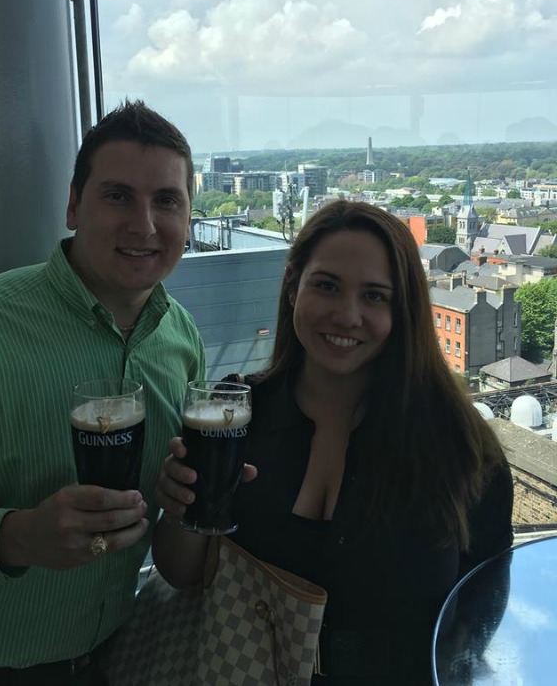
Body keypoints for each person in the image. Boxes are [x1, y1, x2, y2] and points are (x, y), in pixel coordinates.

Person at [153, 199, 514, 686]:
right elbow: (182, 573)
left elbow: (480, 612)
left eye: (375, 296)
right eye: (326, 286)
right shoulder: (233, 414)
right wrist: (181, 509)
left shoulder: (464, 450)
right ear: (292, 286)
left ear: (403, 310)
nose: (347, 315)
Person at [0, 100, 205, 685]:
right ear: (74, 205)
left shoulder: (181, 339)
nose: (145, 225)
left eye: (167, 201)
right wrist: (19, 537)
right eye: (118, 195)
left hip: (117, 655)